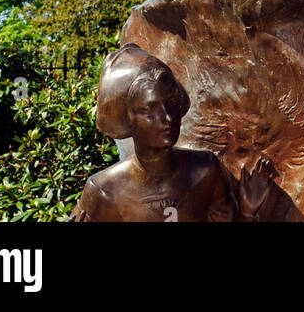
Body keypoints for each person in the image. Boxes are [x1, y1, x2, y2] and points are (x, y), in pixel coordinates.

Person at [70, 43, 272, 222]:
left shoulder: (205, 171)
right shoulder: (104, 191)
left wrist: (247, 212)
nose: (167, 117)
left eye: (170, 103)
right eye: (149, 109)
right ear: (129, 119)